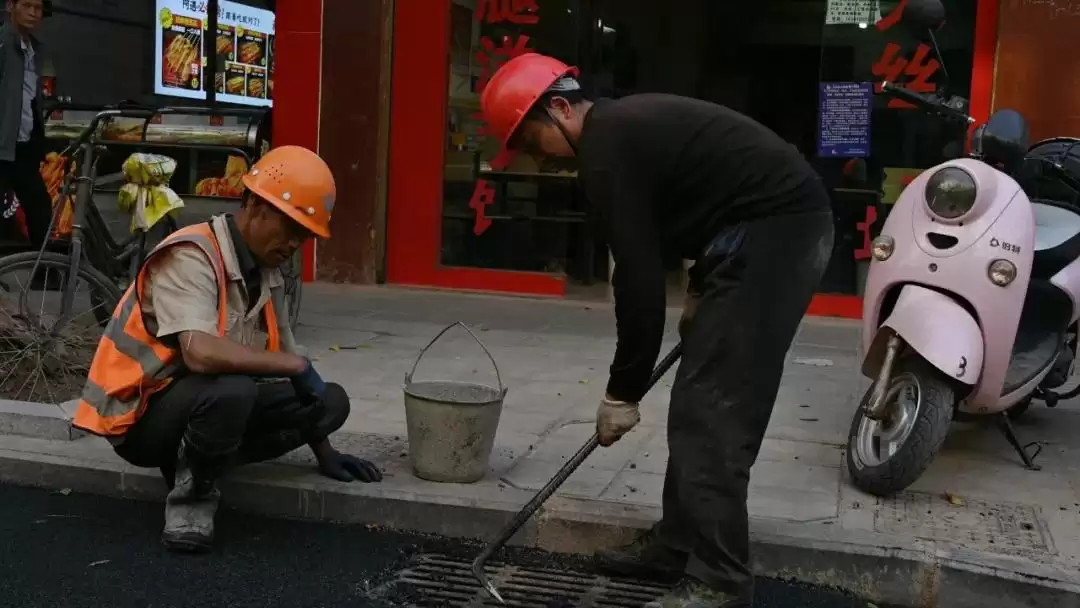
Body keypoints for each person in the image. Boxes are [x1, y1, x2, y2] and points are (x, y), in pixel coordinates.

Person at [480, 54, 835, 608]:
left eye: (531, 142)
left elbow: (640, 283)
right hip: (749, 235)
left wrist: (622, 391)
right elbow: (694, 205)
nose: (537, 159)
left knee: (714, 407)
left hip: (778, 236)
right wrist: (703, 287)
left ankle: (720, 581)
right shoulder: (623, 131)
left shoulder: (605, 148)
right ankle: (678, 544)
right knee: (698, 397)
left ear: (559, 108)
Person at [72, 145, 383, 554]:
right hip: (142, 419)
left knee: (329, 402)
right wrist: (294, 363)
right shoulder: (191, 256)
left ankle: (198, 459)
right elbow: (200, 353)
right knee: (235, 390)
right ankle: (191, 503)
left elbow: (290, 373)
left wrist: (325, 449)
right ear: (254, 204)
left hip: (204, 405)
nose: (295, 243)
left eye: (305, 235)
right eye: (290, 226)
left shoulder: (268, 275)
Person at [0, 0, 51, 249]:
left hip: (23, 148)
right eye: (27, 5)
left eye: (38, 8)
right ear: (11, 6)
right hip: (2, 145)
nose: (33, 13)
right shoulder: (2, 42)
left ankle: (46, 272)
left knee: (40, 208)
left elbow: (31, 98)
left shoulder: (34, 49)